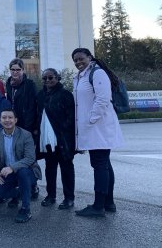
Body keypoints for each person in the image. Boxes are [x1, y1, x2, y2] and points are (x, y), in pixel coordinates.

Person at [72, 48, 124, 217]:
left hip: (99, 127)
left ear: (89, 57)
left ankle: (98, 206)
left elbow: (103, 99)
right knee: (104, 164)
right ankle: (109, 203)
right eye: (75, 60)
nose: (78, 62)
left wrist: (90, 120)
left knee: (100, 165)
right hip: (94, 128)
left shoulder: (98, 73)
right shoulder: (82, 76)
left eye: (81, 58)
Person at [0, 109, 42, 223]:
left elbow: (30, 158)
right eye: (4, 118)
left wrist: (12, 167)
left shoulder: (25, 135)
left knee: (23, 172)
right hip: (8, 173)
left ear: (15, 120)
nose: (7, 120)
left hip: (28, 172)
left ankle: (26, 209)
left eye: (10, 117)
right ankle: (18, 193)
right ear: (0, 120)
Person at [36, 68, 76, 210]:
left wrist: (61, 130)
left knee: (66, 169)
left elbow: (71, 118)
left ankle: (69, 198)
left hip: (62, 139)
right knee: (50, 168)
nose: (47, 80)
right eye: (44, 78)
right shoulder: (40, 95)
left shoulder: (65, 94)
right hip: (46, 139)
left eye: (51, 77)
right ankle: (51, 195)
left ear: (58, 78)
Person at [5, 58, 40, 200]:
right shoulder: (9, 84)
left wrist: (32, 128)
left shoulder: (29, 84)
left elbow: (34, 107)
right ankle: (17, 185)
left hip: (27, 126)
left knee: (29, 157)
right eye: (13, 69)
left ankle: (33, 185)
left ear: (23, 70)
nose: (15, 72)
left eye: (18, 70)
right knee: (15, 154)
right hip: (13, 125)